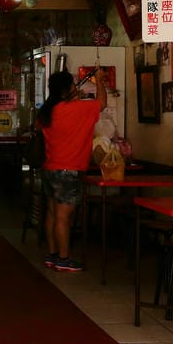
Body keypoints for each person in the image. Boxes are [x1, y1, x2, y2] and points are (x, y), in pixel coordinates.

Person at [37, 68, 106, 272]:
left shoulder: (48, 111)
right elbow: (102, 104)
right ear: (68, 89)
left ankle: (52, 255)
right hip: (69, 170)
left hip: (50, 168)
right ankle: (65, 259)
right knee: (63, 217)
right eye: (74, 84)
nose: (76, 87)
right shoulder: (78, 109)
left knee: (52, 213)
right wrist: (100, 81)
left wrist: (74, 98)